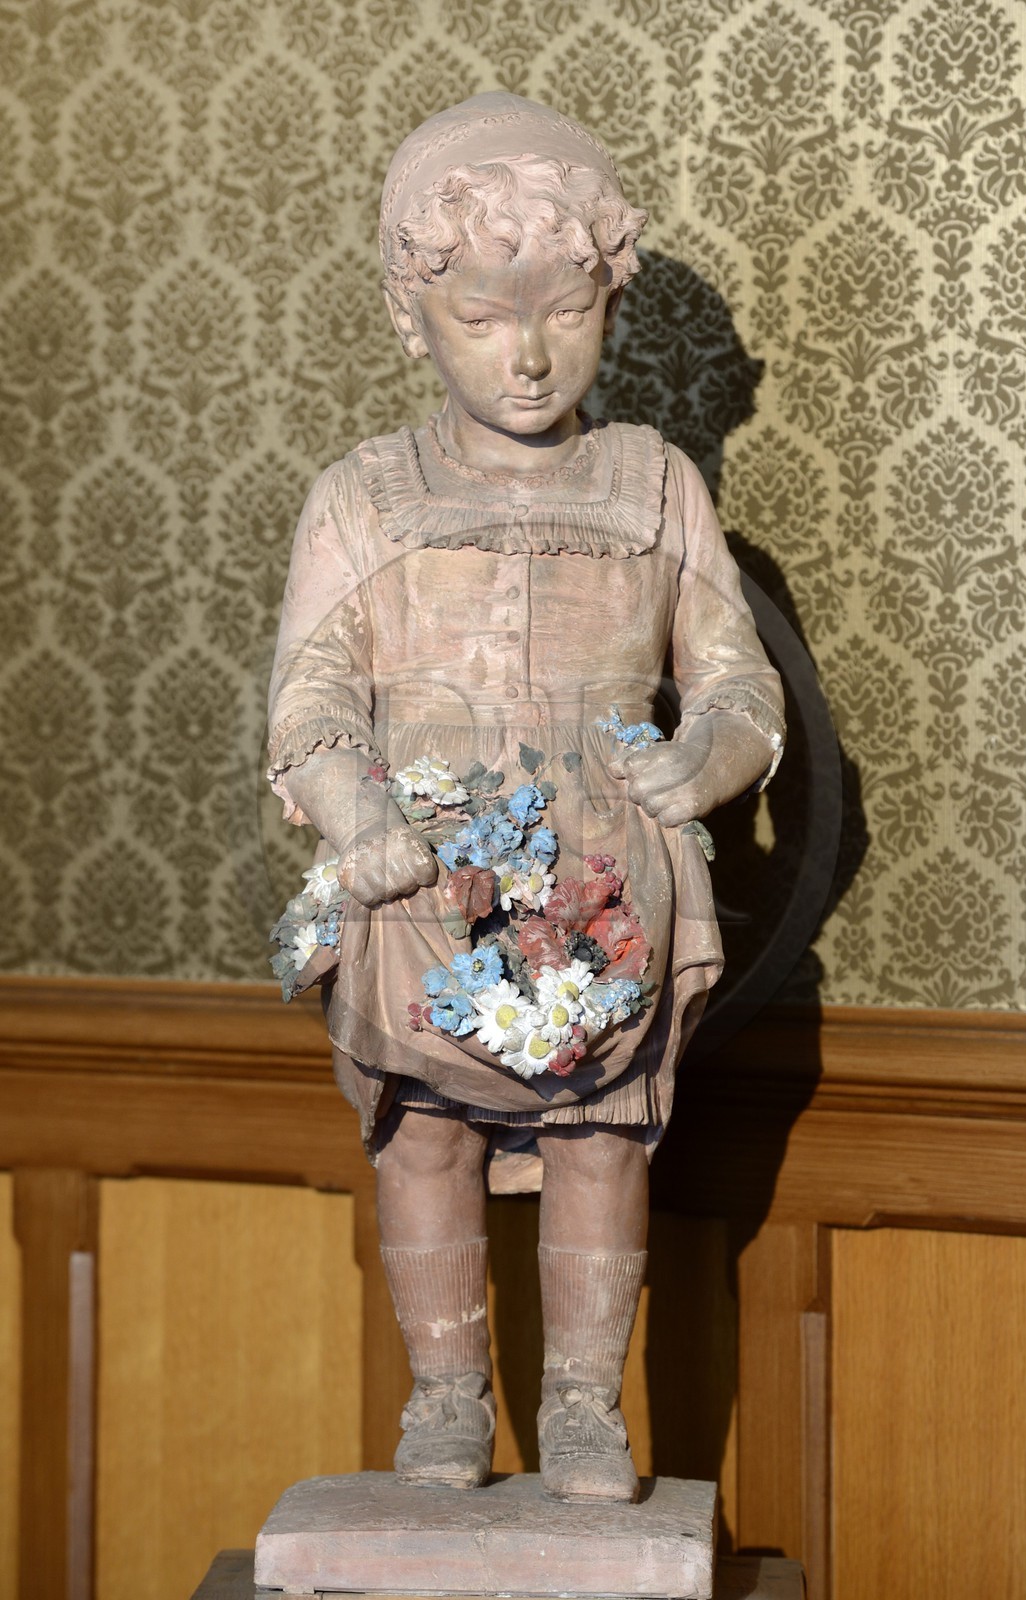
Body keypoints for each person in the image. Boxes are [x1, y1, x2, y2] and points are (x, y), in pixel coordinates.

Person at [266, 94, 784, 1503]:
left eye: (563, 311)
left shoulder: (651, 484)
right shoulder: (364, 495)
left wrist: (705, 760)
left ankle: (581, 1411)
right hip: (420, 882)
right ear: (410, 314)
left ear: (606, 302)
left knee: (596, 1136)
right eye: (483, 319)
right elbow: (309, 699)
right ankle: (445, 1400)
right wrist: (358, 819)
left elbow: (736, 684)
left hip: (603, 878)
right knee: (420, 1132)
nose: (529, 353)